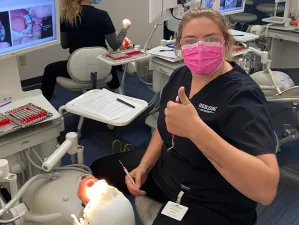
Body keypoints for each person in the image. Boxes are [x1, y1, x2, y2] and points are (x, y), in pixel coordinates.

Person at [90, 8, 279, 225]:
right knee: (100, 170)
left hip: (210, 201)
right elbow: (165, 127)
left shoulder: (241, 96)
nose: (199, 47)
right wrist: (144, 166)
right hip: (169, 174)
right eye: (190, 41)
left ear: (226, 43)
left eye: (210, 39)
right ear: (179, 46)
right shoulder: (182, 75)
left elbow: (266, 190)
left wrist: (197, 131)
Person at [40, 0, 131, 101]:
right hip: (102, 67)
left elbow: (64, 45)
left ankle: (44, 107)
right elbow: (115, 45)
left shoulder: (66, 17)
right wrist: (125, 28)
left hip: (76, 69)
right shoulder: (102, 15)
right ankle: (118, 92)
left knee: (49, 69)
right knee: (106, 59)